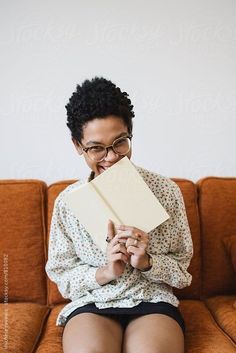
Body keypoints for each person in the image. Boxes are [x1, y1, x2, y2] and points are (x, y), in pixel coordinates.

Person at [45, 77, 193, 353]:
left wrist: (148, 262)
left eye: (120, 143)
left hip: (152, 300)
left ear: (130, 135)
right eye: (96, 148)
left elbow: (183, 273)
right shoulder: (68, 203)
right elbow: (62, 274)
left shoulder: (167, 191)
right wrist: (105, 271)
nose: (111, 157)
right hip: (93, 302)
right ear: (77, 145)